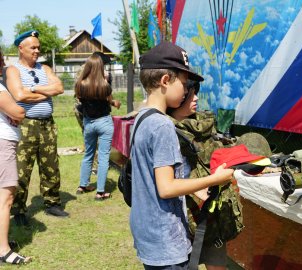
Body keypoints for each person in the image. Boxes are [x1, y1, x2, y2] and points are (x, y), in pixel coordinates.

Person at [130, 41, 234, 269]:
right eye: (184, 83)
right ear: (166, 81)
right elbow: (166, 188)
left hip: (148, 235)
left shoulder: (141, 118)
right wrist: (215, 179)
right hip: (168, 241)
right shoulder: (163, 126)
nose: (187, 91)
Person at [168, 81, 236, 270]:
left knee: (216, 262)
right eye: (190, 95)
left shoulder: (205, 126)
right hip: (181, 216)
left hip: (211, 213)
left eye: (196, 93)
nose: (196, 98)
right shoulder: (165, 130)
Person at [6, 30, 68, 226]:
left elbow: (58, 88)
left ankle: (52, 202)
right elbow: (19, 96)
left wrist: (32, 89)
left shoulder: (46, 68)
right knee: (22, 169)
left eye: (38, 47)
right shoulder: (12, 70)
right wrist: (45, 92)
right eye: (32, 47)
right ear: (20, 48)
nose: (37, 50)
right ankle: (18, 210)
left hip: (47, 124)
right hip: (25, 125)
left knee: (50, 165)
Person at [74, 53, 120, 200]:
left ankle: (82, 185)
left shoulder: (80, 85)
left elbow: (80, 100)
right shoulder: (105, 86)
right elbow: (109, 100)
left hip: (89, 123)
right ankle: (100, 192)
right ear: (100, 66)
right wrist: (114, 103)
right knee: (103, 157)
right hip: (104, 122)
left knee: (88, 154)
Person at [0, 64, 31, 264]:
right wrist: (18, 110)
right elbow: (18, 113)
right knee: (6, 197)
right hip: (3, 144)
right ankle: (3, 250)